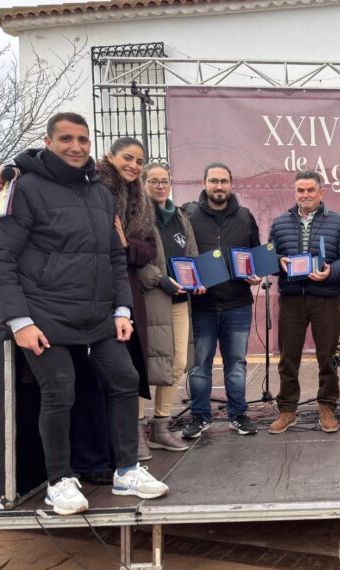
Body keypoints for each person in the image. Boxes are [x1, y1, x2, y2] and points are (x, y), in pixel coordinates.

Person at [0, 112, 169, 515]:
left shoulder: (99, 193)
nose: (76, 146)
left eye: (83, 139)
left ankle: (127, 470)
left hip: (98, 316)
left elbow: (113, 257)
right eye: (66, 138)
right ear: (48, 142)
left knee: (125, 379)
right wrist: (19, 321)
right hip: (43, 316)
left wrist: (121, 308)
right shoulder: (22, 188)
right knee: (60, 389)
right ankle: (59, 481)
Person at [268, 170, 340, 434]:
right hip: (291, 297)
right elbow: (272, 257)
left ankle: (327, 406)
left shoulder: (338, 222)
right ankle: (287, 409)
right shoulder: (280, 223)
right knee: (288, 356)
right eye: (300, 191)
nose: (305, 195)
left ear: (320, 193)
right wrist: (278, 262)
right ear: (295, 193)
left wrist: (331, 272)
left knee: (327, 355)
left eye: (310, 190)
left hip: (325, 297)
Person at [182, 163, 262, 439]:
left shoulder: (244, 216)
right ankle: (199, 416)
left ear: (231, 183)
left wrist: (256, 274)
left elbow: (255, 256)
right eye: (214, 181)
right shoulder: (188, 215)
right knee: (199, 365)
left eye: (224, 181)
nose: (219, 186)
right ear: (204, 183)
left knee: (237, 363)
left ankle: (238, 414)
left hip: (237, 303)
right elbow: (180, 256)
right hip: (201, 306)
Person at [96, 137, 158, 461]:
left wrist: (125, 245)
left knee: (128, 369)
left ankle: (126, 442)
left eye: (139, 161)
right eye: (128, 158)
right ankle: (103, 449)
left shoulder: (142, 200)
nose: (134, 166)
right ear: (110, 156)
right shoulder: (94, 188)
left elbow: (150, 248)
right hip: (92, 290)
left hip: (128, 291)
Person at [137, 162, 203, 453]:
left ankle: (160, 428)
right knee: (146, 365)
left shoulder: (179, 216)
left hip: (179, 300)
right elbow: (133, 258)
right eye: (154, 181)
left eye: (165, 180)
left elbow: (191, 253)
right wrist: (160, 280)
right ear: (143, 184)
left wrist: (198, 279)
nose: (161, 186)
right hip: (151, 299)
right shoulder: (138, 215)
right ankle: (136, 431)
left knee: (176, 364)